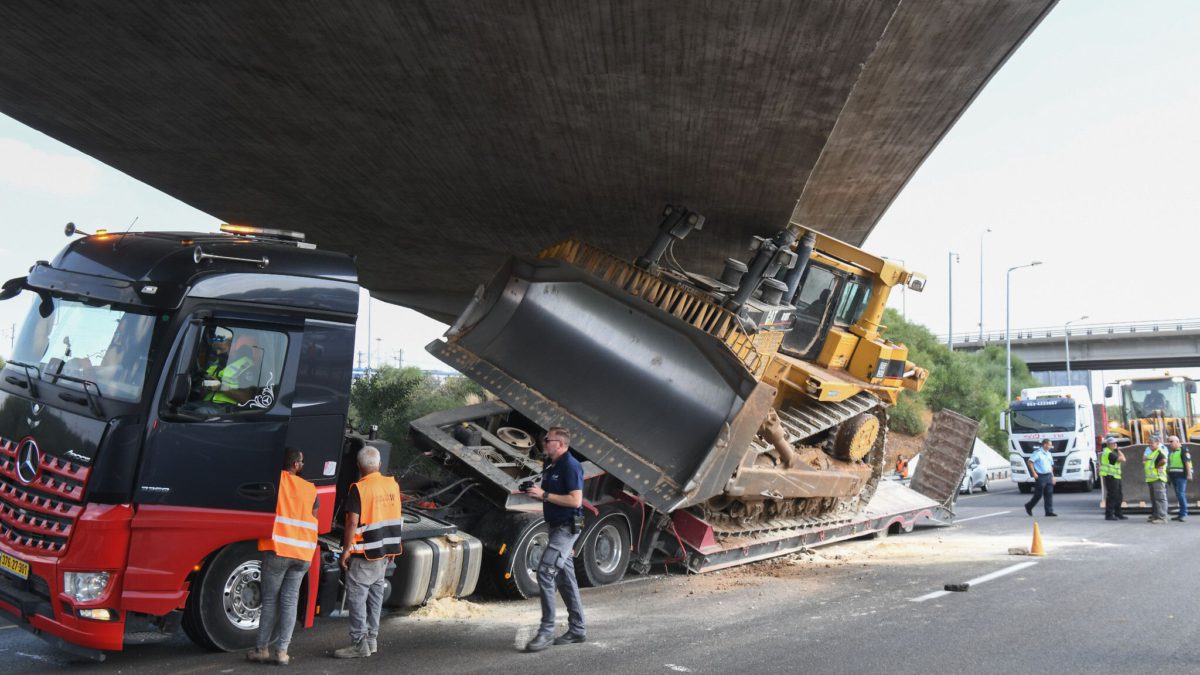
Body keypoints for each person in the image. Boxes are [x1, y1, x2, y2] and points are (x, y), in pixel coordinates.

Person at [249, 448, 319, 666]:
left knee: (270, 600)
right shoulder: (310, 489)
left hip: (278, 550)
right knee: (290, 601)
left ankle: (262, 649)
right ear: (296, 465)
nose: (303, 465)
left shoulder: (273, 483)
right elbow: (314, 516)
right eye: (302, 462)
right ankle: (282, 652)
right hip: (303, 554)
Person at [335, 446, 403, 659]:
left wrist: (346, 550)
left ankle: (358, 644)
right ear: (379, 465)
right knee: (375, 597)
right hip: (384, 552)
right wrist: (393, 546)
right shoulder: (392, 485)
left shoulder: (359, 488)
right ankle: (372, 641)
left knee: (356, 598)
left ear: (358, 466)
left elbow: (353, 522)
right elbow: (395, 516)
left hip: (364, 554)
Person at [523, 427, 586, 652]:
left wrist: (545, 495)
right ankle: (577, 629)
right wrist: (536, 491)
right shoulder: (550, 465)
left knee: (545, 572)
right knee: (566, 579)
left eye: (547, 439)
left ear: (559, 444)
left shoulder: (570, 465)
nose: (543, 442)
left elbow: (576, 501)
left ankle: (546, 631)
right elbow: (550, 494)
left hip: (566, 529)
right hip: (555, 528)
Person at [1024, 439, 1057, 517]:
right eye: (1049, 445)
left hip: (1048, 475)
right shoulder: (1037, 453)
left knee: (1049, 493)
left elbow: (1050, 466)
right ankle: (1029, 506)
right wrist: (1034, 473)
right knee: (1038, 494)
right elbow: (1030, 462)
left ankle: (1049, 511)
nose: (1050, 446)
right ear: (1045, 444)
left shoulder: (1049, 454)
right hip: (1041, 476)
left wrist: (1053, 476)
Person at [1099, 436, 1127, 521]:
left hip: (1114, 476)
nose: (1115, 444)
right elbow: (1123, 459)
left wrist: (1116, 450)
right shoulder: (1110, 453)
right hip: (1111, 477)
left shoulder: (1109, 451)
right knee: (1112, 496)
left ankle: (1118, 513)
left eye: (1115, 443)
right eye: (1113, 443)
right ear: (1108, 444)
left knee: (1118, 495)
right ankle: (1109, 514)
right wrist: (1118, 450)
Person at [1144, 434, 1169, 524]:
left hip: (1158, 478)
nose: (1150, 445)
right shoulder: (1152, 452)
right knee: (1155, 499)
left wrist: (1157, 467)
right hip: (1152, 479)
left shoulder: (1159, 451)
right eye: (1149, 443)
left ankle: (1162, 517)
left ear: (1158, 443)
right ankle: (1156, 515)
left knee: (1160, 498)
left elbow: (1164, 460)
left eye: (1152, 443)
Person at [1166, 435, 1192, 522]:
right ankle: (1181, 513)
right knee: (1178, 494)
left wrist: (1189, 474)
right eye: (1169, 442)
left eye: (1171, 442)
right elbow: (1171, 465)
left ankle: (1183, 514)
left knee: (1181, 494)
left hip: (1181, 476)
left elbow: (1187, 463)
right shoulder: (1172, 452)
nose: (1169, 444)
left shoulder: (1184, 450)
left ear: (1177, 441)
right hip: (1174, 476)